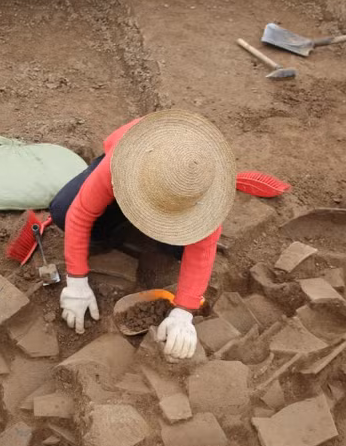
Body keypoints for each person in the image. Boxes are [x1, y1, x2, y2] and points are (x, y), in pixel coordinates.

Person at [49, 110, 241, 360]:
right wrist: (76, 281)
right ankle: (118, 228)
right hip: (129, 177)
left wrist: (184, 311)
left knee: (180, 249)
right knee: (62, 210)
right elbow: (80, 213)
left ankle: (150, 231)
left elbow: (202, 252)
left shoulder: (202, 193)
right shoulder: (122, 161)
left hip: (176, 194)